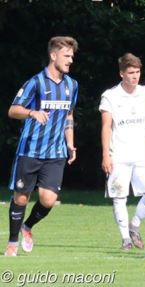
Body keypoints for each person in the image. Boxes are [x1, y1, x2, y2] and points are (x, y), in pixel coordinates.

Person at [5, 36, 79, 256]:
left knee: (48, 199)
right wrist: (31, 112)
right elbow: (12, 110)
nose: (70, 60)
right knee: (21, 197)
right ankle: (11, 243)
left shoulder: (72, 85)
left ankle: (28, 227)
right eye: (67, 56)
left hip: (55, 152)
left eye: (72, 56)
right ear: (53, 55)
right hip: (30, 150)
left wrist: (70, 143)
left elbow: (69, 114)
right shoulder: (35, 82)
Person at [99, 53, 145, 251]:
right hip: (119, 154)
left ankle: (134, 225)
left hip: (144, 153)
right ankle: (125, 238)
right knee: (119, 196)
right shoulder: (110, 96)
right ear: (121, 74)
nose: (135, 76)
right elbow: (107, 127)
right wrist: (106, 155)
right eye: (131, 73)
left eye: (137, 72)